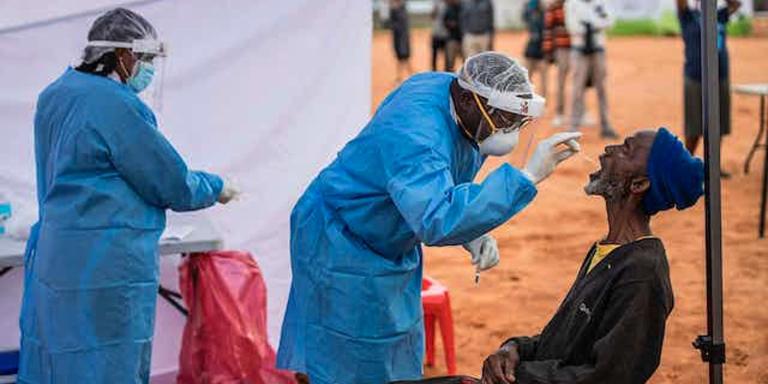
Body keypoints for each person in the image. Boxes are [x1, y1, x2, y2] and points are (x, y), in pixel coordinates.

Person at [276, 52, 583, 384]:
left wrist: (472, 232)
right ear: (467, 100)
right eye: (503, 119)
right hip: (339, 237)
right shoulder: (416, 131)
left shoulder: (456, 102)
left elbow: (442, 179)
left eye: (515, 122)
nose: (508, 131)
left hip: (390, 236)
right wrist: (526, 179)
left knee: (393, 343)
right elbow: (435, 217)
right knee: (337, 351)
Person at [18, 8, 238, 383]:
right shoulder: (116, 105)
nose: (148, 69)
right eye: (146, 59)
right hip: (105, 267)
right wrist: (216, 187)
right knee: (109, 366)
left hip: (57, 259)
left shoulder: (54, 95)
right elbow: (170, 181)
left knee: (63, 363)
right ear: (123, 55)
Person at [479, 128, 704, 384]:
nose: (609, 150)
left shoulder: (641, 273)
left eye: (625, 149)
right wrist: (514, 349)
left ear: (638, 184)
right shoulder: (608, 251)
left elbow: (608, 376)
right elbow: (564, 340)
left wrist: (519, 376)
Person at [677, 0, 741, 178]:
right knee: (694, 128)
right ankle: (685, 167)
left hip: (720, 75)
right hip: (695, 76)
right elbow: (680, 3)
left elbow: (736, 5)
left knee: (717, 125)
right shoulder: (688, 17)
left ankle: (713, 167)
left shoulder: (718, 16)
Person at [566, 0, 618, 139]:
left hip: (598, 49)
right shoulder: (572, 3)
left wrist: (589, 24)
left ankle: (606, 126)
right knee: (577, 88)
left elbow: (610, 21)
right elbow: (573, 27)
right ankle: (573, 127)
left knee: (602, 89)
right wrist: (595, 24)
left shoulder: (600, 3)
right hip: (579, 50)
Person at [542, 0, 571, 127]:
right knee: (561, 82)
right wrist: (548, 51)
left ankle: (582, 112)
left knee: (581, 83)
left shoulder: (575, 4)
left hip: (578, 48)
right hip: (562, 48)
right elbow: (548, 30)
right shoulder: (553, 7)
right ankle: (560, 113)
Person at [522, 0, 547, 102]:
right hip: (531, 48)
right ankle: (527, 100)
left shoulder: (544, 11)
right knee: (526, 77)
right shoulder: (529, 9)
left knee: (544, 79)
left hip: (542, 49)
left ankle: (542, 102)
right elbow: (525, 18)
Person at [390, 0, 413, 82]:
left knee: (404, 58)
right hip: (399, 38)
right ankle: (404, 75)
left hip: (403, 39)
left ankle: (409, 75)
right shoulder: (395, 10)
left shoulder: (401, 9)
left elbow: (403, 27)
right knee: (402, 59)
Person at [444, 0, 464, 72]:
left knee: (466, 61)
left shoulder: (464, 7)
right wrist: (450, 24)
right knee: (450, 62)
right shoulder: (449, 9)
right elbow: (445, 22)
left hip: (463, 38)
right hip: (452, 38)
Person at [431, 0, 450, 71]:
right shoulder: (436, 2)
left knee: (447, 55)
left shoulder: (448, 3)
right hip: (436, 32)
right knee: (434, 55)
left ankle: (446, 70)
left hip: (446, 33)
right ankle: (434, 70)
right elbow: (432, 16)